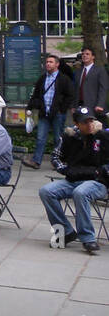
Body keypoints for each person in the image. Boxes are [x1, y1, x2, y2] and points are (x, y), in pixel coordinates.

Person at [38, 106, 106, 254]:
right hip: (73, 179)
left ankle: (88, 238)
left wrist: (101, 172)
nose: (89, 125)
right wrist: (65, 170)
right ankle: (65, 232)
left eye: (91, 121)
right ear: (76, 123)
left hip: (98, 182)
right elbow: (55, 157)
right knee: (46, 191)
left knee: (80, 192)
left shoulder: (102, 136)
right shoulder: (69, 136)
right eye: (85, 122)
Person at [24, 54, 76, 168]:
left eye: (51, 62)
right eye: (47, 62)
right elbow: (36, 93)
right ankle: (36, 161)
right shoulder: (42, 78)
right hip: (44, 112)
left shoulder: (63, 79)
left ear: (57, 64)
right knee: (40, 137)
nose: (48, 64)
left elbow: (70, 95)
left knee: (58, 138)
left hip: (57, 112)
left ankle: (59, 161)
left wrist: (62, 108)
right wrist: (30, 107)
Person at [74, 47, 109, 118]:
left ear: (93, 57)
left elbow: (103, 89)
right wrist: (73, 106)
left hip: (95, 106)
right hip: (80, 106)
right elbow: (75, 89)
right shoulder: (78, 72)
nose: (84, 56)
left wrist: (100, 104)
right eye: (83, 54)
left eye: (87, 54)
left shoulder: (100, 70)